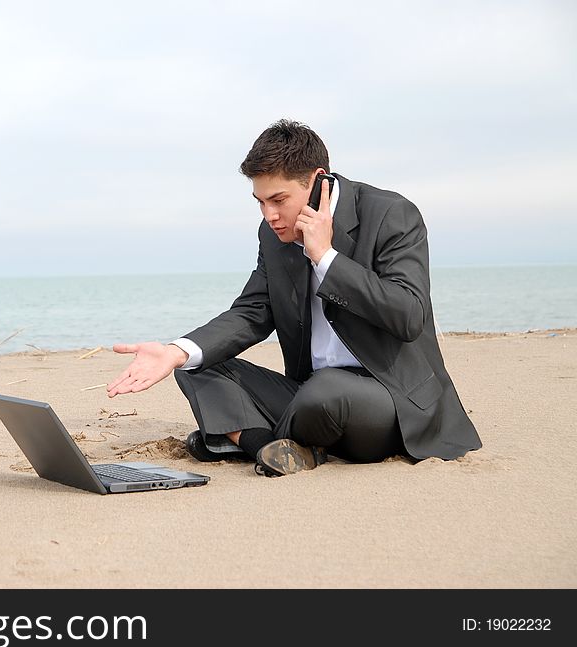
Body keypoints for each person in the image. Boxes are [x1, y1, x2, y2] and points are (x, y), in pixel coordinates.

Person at [106, 119, 481, 477]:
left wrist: (326, 258)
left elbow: (409, 314)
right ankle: (267, 445)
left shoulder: (391, 214)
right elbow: (252, 312)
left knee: (327, 390)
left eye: (278, 199)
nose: (269, 215)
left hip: (391, 402)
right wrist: (174, 352)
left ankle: (236, 435)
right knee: (197, 363)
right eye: (259, 202)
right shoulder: (273, 236)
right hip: (307, 398)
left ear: (317, 181)